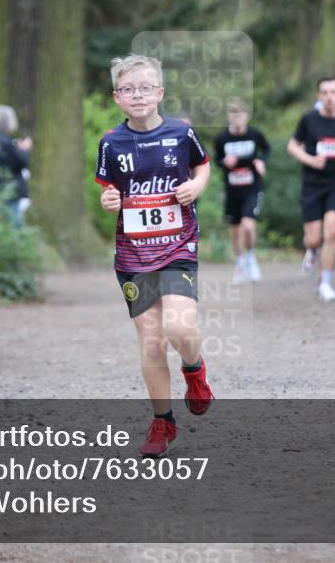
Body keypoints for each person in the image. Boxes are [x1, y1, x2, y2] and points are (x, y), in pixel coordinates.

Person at [95, 54, 214, 458]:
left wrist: (196, 188)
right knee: (150, 342)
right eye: (129, 89)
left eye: (146, 88)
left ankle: (195, 370)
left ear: (159, 93)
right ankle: (163, 423)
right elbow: (108, 190)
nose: (138, 95)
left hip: (178, 245)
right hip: (132, 255)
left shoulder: (181, 133)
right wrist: (109, 199)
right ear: (117, 97)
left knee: (180, 329)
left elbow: (203, 168)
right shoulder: (111, 142)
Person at [287, 77, 335, 302]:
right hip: (312, 184)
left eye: (333, 92)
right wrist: (309, 160)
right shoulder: (309, 120)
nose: (329, 97)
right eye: (324, 92)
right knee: (314, 239)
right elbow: (292, 145)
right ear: (319, 96)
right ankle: (311, 249)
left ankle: (325, 283)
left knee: (333, 230)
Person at [213, 99, 271, 284]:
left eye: (240, 115)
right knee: (236, 231)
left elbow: (267, 149)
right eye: (233, 116)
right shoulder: (222, 139)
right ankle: (240, 264)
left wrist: (261, 161)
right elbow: (216, 159)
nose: (237, 119)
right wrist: (224, 162)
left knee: (248, 225)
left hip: (252, 188)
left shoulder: (255, 135)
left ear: (246, 116)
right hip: (232, 190)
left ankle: (251, 258)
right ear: (229, 117)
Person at [0, 105, 32, 227]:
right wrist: (24, 150)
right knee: (15, 225)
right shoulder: (6, 143)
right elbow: (21, 162)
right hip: (11, 190)